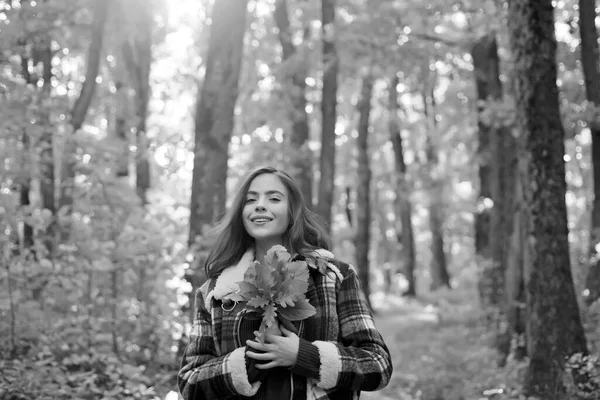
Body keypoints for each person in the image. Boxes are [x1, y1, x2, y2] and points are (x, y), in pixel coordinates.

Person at [178, 166, 392, 400]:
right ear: (241, 212)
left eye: (274, 198)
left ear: (292, 211)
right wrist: (250, 362)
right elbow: (189, 383)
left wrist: (305, 356)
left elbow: (377, 364)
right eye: (251, 200)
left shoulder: (333, 277)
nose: (260, 205)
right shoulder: (216, 292)